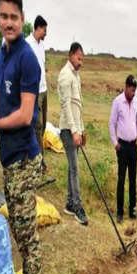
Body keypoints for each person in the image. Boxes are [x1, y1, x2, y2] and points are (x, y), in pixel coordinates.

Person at [0, 0, 43, 274]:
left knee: (26, 235)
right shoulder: (1, 55)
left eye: (14, 17)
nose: (8, 22)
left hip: (23, 158)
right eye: (3, 16)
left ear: (24, 21)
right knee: (20, 231)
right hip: (8, 159)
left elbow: (25, 115)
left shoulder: (27, 59)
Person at [58, 42, 88, 225]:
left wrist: (82, 129)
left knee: (72, 168)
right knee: (75, 168)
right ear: (71, 55)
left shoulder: (76, 76)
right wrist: (74, 131)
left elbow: (78, 106)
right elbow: (66, 106)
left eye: (82, 59)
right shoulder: (65, 75)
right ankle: (77, 206)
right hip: (67, 130)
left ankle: (69, 204)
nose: (81, 62)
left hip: (75, 129)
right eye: (79, 58)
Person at [109, 75, 137, 223]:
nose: (133, 93)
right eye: (131, 90)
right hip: (122, 146)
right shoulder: (117, 102)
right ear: (126, 87)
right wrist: (115, 143)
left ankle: (132, 210)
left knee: (133, 179)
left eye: (135, 90)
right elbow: (111, 124)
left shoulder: (135, 102)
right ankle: (120, 212)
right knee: (121, 179)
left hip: (133, 146)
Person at [26, 15, 48, 173]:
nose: (46, 33)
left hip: (44, 89)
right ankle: (39, 162)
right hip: (34, 91)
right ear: (38, 28)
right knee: (37, 126)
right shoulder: (27, 44)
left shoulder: (42, 46)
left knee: (43, 125)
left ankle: (35, 154)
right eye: (45, 30)